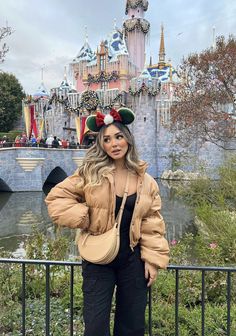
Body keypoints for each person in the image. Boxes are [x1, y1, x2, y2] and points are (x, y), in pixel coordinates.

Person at [45, 107, 169, 336]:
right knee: (95, 326)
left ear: (128, 140)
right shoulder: (90, 174)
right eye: (107, 139)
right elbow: (56, 198)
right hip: (97, 258)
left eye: (119, 137)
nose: (114, 144)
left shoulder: (147, 181)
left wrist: (152, 260)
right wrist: (86, 217)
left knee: (132, 326)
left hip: (133, 260)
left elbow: (152, 223)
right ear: (101, 144)